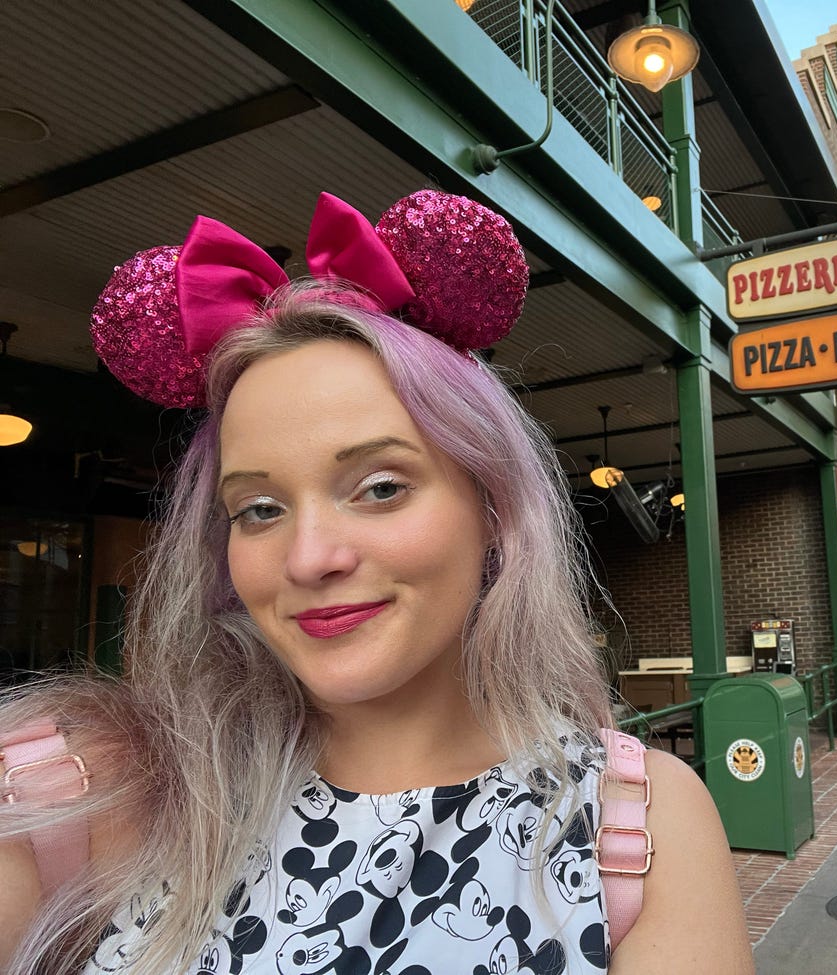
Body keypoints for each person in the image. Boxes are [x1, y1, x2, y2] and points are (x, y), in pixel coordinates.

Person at [0, 190, 753, 975]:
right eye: (259, 508)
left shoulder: (634, 827)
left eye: (381, 487)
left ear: (493, 509)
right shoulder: (98, 790)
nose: (308, 557)